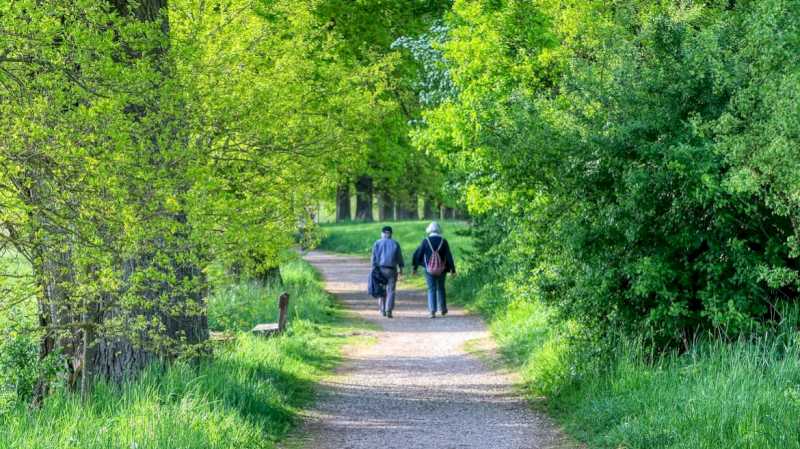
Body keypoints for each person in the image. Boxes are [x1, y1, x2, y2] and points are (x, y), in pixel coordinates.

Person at [412, 222, 456, 318]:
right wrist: (453, 270)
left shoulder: (426, 241)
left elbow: (419, 254)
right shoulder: (443, 241)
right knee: (441, 288)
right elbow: (449, 256)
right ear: (439, 230)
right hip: (442, 269)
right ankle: (443, 309)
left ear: (429, 230)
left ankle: (432, 311)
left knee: (431, 289)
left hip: (429, 270)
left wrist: (415, 268)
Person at [371, 225, 404, 318]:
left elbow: (374, 258)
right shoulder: (395, 243)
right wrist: (401, 269)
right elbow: (399, 258)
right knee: (391, 290)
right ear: (390, 234)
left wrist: (373, 269)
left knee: (381, 289)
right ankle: (389, 310)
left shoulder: (377, 243)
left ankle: (382, 310)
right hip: (392, 270)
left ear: (382, 233)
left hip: (380, 269)